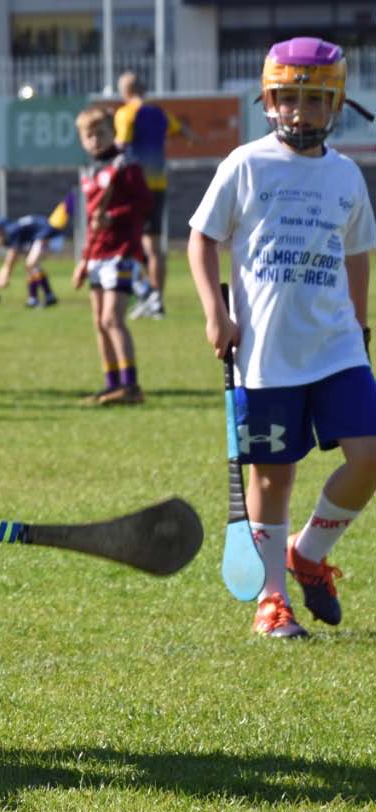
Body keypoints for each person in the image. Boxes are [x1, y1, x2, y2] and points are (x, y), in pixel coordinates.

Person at [188, 37, 376, 638]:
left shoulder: (346, 175)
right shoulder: (245, 163)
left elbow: (357, 252)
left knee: (369, 457)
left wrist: (360, 320)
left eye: (314, 101)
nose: (300, 111)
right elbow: (202, 238)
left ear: (336, 105)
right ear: (268, 102)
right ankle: (272, 600)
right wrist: (216, 313)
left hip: (337, 347)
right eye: (288, 99)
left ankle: (309, 554)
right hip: (266, 353)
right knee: (273, 477)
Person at [72, 106, 152, 406]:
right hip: (97, 254)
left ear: (112, 133)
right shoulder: (90, 170)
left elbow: (144, 203)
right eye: (88, 135)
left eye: (101, 133)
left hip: (121, 251)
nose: (95, 140)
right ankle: (111, 383)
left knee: (112, 318)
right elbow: (92, 221)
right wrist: (83, 259)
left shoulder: (125, 165)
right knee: (98, 321)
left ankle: (131, 386)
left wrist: (114, 217)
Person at [115, 71, 196, 318]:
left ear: (124, 91)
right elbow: (183, 131)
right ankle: (156, 301)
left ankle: (143, 294)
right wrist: (189, 137)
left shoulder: (126, 113)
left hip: (135, 187)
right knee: (154, 245)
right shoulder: (159, 114)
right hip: (158, 184)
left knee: (126, 242)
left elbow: (120, 145)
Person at [0, 213, 63, 308]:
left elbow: (10, 261)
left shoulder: (11, 232)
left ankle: (37, 298)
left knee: (30, 264)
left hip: (49, 234)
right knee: (32, 266)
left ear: (1, 230)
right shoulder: (14, 229)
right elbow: (8, 263)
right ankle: (46, 297)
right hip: (45, 233)